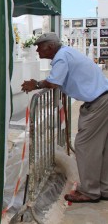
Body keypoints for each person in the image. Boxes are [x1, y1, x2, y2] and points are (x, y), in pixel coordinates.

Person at [21, 32, 108, 203]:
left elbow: (54, 82)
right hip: (102, 99)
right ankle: (104, 188)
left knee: (84, 146)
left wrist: (36, 84)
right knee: (101, 148)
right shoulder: (66, 53)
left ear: (50, 47)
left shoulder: (61, 57)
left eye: (40, 47)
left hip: (99, 102)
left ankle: (90, 191)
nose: (37, 50)